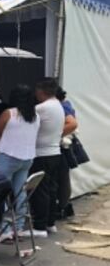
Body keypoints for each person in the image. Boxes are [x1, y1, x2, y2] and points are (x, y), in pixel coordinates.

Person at [0, 84, 40, 240]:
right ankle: (18, 227)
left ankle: (4, 229)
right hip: (27, 158)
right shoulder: (35, 116)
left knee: (1, 193)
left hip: (7, 156)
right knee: (20, 193)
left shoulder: (9, 113)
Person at [28, 78, 65, 236]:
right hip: (55, 152)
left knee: (40, 190)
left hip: (41, 153)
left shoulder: (40, 108)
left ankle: (40, 226)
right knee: (51, 189)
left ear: (41, 91)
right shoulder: (58, 105)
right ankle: (50, 223)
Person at [55, 87, 79, 222]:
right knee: (64, 179)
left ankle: (63, 207)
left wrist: (54, 135)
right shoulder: (67, 104)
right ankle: (64, 206)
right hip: (65, 146)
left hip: (61, 147)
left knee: (62, 179)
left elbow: (72, 124)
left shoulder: (63, 107)